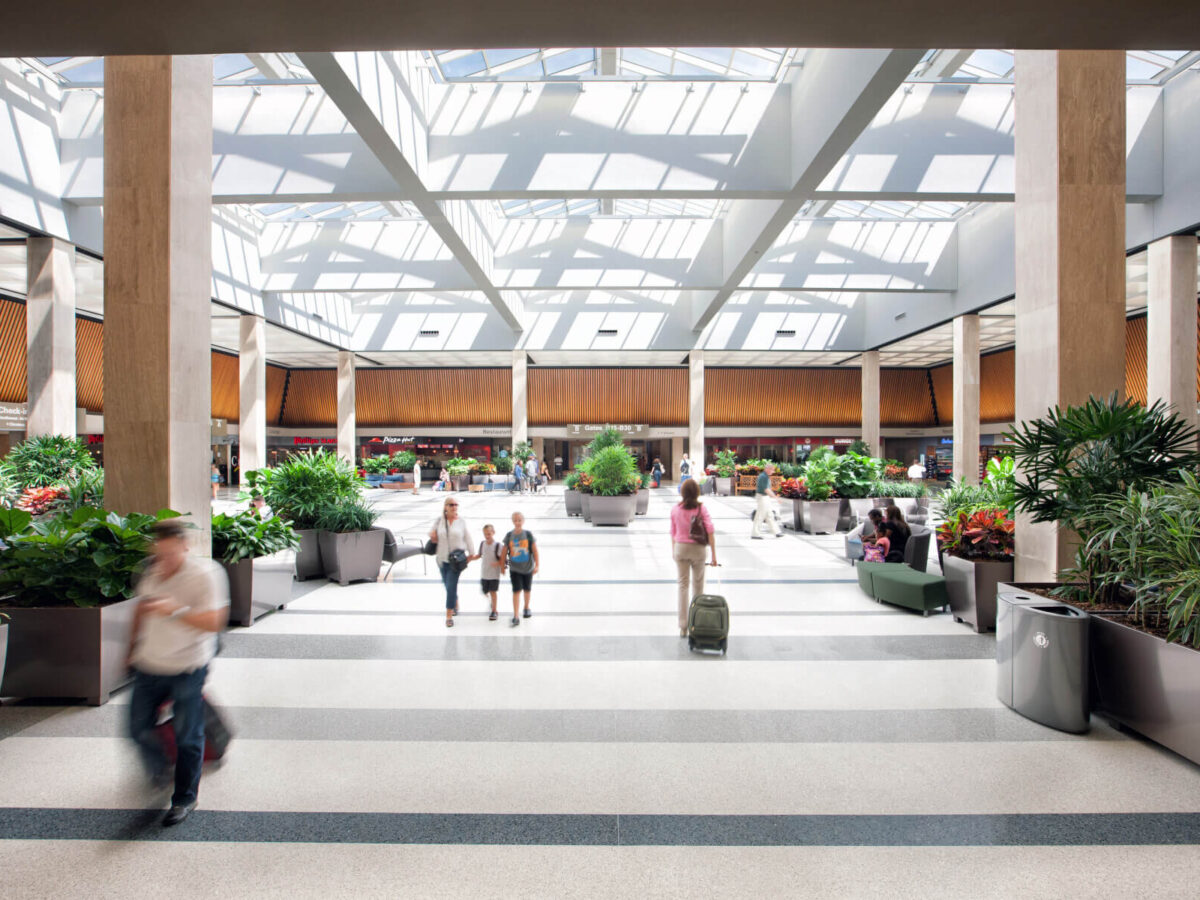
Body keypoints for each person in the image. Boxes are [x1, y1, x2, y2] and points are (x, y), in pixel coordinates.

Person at [126, 519, 230, 827]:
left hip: (188, 666)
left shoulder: (205, 574)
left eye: (171, 553)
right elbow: (140, 609)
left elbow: (215, 622)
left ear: (185, 546)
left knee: (188, 735)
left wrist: (174, 610)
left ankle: (184, 797)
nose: (165, 560)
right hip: (149, 663)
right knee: (137, 728)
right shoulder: (149, 570)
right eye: (160, 553)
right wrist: (131, 647)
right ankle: (160, 767)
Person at [670, 478, 718, 637]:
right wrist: (714, 555)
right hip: (698, 550)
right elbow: (710, 531)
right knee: (698, 587)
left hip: (680, 549)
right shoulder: (701, 509)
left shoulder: (675, 509)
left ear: (682, 492)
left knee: (682, 586)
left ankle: (683, 626)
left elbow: (673, 533)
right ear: (697, 492)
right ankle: (695, 624)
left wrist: (674, 551)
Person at [430, 497, 473, 627]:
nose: (454, 507)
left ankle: (449, 615)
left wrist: (471, 554)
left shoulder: (461, 522)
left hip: (456, 560)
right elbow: (432, 536)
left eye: (456, 505)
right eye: (451, 505)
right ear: (445, 507)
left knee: (451, 586)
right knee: (448, 585)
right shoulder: (439, 521)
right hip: (441, 559)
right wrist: (433, 536)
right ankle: (455, 600)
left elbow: (467, 537)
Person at [500, 511, 539, 627]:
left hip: (527, 568)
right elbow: (504, 552)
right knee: (516, 591)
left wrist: (537, 565)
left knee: (527, 590)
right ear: (512, 521)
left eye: (519, 520)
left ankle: (526, 607)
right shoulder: (509, 535)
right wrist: (502, 566)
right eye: (515, 520)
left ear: (523, 521)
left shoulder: (528, 535)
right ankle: (516, 615)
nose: (517, 522)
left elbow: (535, 550)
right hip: (515, 569)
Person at [470, 524, 503, 621]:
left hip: (494, 575)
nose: (487, 536)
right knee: (485, 591)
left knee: (493, 592)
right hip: (484, 573)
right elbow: (479, 555)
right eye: (485, 534)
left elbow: (503, 559)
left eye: (489, 534)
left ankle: (494, 610)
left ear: (493, 533)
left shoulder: (497, 545)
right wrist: (471, 558)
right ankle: (492, 602)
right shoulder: (482, 544)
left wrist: (497, 564)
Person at [751, 462, 783, 539]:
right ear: (767, 469)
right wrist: (776, 498)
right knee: (760, 515)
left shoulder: (765, 476)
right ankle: (755, 534)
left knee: (770, 515)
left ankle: (776, 532)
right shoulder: (764, 477)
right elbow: (766, 489)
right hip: (762, 497)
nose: (773, 471)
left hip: (765, 497)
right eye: (772, 470)